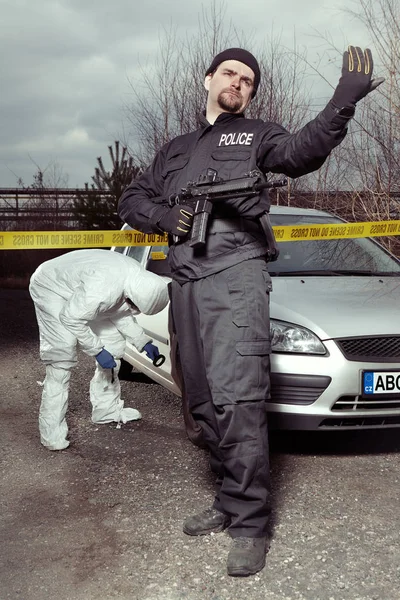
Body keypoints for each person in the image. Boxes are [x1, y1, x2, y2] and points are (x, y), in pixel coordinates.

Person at [118, 46, 384, 576]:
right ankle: (228, 494)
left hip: (236, 279)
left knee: (238, 400)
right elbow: (131, 199)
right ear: (208, 78)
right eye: (230, 74)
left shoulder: (259, 135)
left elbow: (302, 152)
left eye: (248, 80)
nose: (238, 83)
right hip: (184, 283)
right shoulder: (173, 149)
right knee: (198, 402)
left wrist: (342, 103)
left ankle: (250, 520)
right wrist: (166, 217)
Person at [29, 248, 169, 452]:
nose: (133, 310)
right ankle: (51, 433)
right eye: (134, 306)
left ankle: (107, 411)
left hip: (85, 290)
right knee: (61, 356)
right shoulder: (105, 287)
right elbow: (71, 318)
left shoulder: (134, 279)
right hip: (50, 286)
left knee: (113, 345)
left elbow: (120, 311)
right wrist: (96, 350)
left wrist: (143, 341)